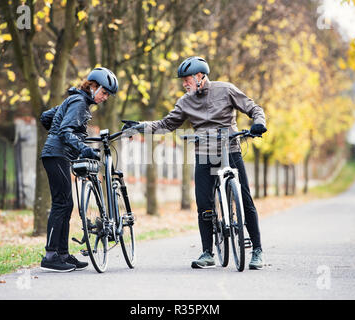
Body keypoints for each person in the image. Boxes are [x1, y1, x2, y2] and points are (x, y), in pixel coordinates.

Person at [123, 57, 267, 270]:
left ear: (200, 76)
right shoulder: (185, 101)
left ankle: (257, 251)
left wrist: (259, 124)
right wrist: (140, 127)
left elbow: (253, 108)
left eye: (187, 79)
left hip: (231, 148)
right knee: (204, 205)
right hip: (204, 153)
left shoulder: (226, 89)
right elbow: (166, 124)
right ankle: (208, 252)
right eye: (183, 80)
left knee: (245, 199)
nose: (184, 84)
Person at [39, 67, 119, 272]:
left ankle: (62, 254)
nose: (105, 98)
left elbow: (46, 117)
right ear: (93, 86)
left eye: (107, 95)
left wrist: (58, 136)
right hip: (56, 155)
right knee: (61, 203)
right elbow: (65, 130)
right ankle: (51, 256)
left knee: (66, 203)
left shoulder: (75, 100)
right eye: (104, 92)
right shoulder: (79, 102)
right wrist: (83, 148)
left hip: (58, 154)